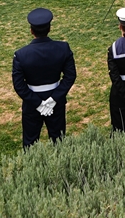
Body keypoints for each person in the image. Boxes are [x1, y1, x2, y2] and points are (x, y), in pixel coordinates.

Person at [12, 8, 77, 146]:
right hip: (56, 101)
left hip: (31, 104)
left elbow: (19, 85)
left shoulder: (21, 54)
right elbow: (70, 76)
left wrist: (37, 103)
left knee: (30, 143)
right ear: (49, 28)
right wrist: (54, 99)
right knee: (59, 142)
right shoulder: (63, 48)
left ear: (31, 30)